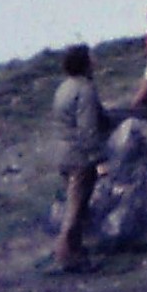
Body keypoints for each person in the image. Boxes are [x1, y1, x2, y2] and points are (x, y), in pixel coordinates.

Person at [51, 43, 113, 272]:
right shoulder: (85, 89)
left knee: (74, 205)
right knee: (75, 209)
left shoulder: (63, 88)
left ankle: (74, 252)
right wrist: (99, 160)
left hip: (63, 154)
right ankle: (66, 256)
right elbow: (88, 130)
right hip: (79, 157)